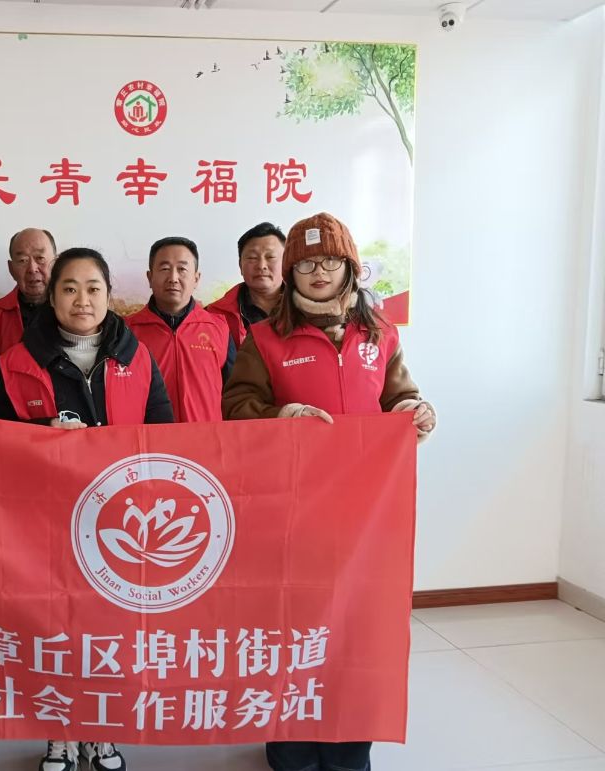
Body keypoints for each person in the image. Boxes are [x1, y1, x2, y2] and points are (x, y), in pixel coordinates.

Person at [221, 213, 435, 771]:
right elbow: (236, 407)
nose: (319, 272)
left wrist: (414, 410)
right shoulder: (264, 339)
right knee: (293, 628)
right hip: (290, 511)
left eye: (331, 261)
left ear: (350, 268)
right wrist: (282, 415)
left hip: (366, 514)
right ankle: (290, 748)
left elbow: (398, 397)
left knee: (356, 631)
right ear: (291, 272)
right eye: (307, 263)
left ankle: (348, 747)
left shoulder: (381, 334)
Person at [0, 247, 173, 771]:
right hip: (42, 520)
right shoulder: (15, 362)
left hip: (118, 522)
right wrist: (42, 434)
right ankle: (58, 733)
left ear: (109, 294)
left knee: (109, 630)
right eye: (69, 288)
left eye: (93, 288)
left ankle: (102, 730)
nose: (82, 300)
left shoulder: (136, 356)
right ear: (51, 296)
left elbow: (162, 429)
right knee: (51, 626)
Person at [126, 236, 234, 422]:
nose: (173, 278)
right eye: (165, 269)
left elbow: (234, 395)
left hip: (207, 437)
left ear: (196, 279)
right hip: (152, 438)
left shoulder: (219, 328)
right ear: (150, 278)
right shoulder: (128, 332)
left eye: (182, 269)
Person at [0, 227, 57, 387]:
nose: (32, 268)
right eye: (23, 260)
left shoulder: (74, 310)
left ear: (56, 263)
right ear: (11, 269)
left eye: (40, 258)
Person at [205, 222, 286, 347]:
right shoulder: (214, 315)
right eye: (252, 258)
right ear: (240, 266)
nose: (261, 266)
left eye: (270, 257)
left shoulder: (307, 309)